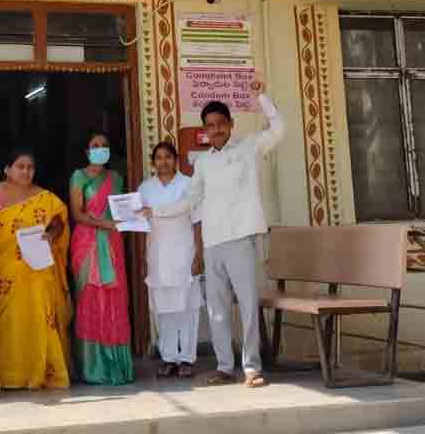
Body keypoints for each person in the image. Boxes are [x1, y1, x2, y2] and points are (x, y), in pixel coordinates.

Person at [142, 80, 283, 388]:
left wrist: (261, 94)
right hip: (212, 242)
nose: (216, 130)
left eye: (220, 124)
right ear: (204, 130)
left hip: (242, 238)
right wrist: (157, 212)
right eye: (210, 125)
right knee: (217, 309)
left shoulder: (248, 147)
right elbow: (190, 201)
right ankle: (224, 366)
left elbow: (278, 129)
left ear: (230, 125)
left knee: (247, 303)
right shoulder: (203, 162)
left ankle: (251, 368)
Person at [0, 149, 73, 389]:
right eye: (20, 166)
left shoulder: (43, 196)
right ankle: (7, 376)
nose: (26, 171)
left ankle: (42, 371)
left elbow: (59, 220)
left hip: (38, 271)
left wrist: (52, 235)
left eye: (30, 167)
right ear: (7, 169)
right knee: (8, 321)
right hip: (5, 272)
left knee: (39, 317)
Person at [68, 132, 133, 385]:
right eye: (95, 145)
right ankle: (91, 366)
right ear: (87, 152)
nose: (100, 149)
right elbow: (77, 213)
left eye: (104, 145)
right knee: (89, 298)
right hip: (87, 243)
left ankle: (116, 365)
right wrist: (105, 224)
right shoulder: (79, 176)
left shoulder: (115, 178)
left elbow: (122, 209)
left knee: (114, 299)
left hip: (112, 242)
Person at [138, 141, 203, 379]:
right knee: (163, 310)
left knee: (187, 308)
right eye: (159, 158)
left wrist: (199, 253)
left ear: (176, 159)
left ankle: (186, 359)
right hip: (156, 254)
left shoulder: (188, 184)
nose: (163, 162)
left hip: (185, 252)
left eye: (168, 157)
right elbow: (139, 224)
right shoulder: (145, 188)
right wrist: (144, 258)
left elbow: (197, 221)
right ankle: (168, 359)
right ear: (153, 162)